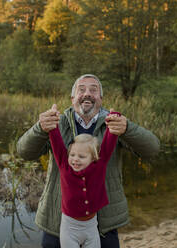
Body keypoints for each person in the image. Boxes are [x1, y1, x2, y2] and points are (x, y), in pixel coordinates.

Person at [17, 74, 160, 248]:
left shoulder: (114, 123)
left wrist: (127, 128)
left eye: (94, 90)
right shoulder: (57, 123)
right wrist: (40, 128)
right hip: (57, 219)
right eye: (81, 89)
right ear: (72, 98)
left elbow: (152, 149)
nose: (87, 93)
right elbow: (24, 152)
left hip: (103, 223)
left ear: (100, 98)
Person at [49, 109, 120, 247]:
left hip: (91, 227)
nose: (75, 159)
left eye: (81, 156)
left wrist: (114, 118)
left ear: (93, 158)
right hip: (69, 229)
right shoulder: (65, 165)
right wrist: (52, 120)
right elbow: (56, 141)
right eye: (72, 155)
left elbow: (109, 141)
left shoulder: (99, 165)